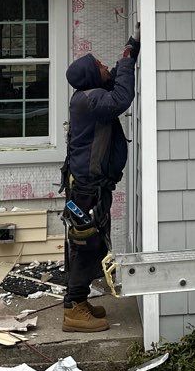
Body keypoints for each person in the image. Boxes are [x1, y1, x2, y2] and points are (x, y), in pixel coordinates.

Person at [59, 29, 140, 332]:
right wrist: (129, 59)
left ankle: (78, 300)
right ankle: (73, 309)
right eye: (101, 65)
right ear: (93, 76)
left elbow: (117, 75)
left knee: (92, 241)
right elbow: (122, 96)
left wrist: (130, 50)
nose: (107, 67)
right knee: (86, 244)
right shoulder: (92, 100)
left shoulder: (89, 95)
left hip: (87, 188)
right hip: (85, 191)